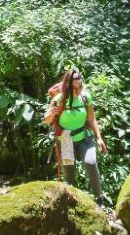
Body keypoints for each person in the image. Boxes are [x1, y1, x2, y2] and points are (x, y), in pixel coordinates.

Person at [43, 69, 107, 204]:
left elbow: (92, 119)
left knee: (90, 162)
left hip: (84, 137)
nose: (78, 89)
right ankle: (70, 203)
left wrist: (99, 138)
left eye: (80, 86)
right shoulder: (58, 99)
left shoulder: (85, 97)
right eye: (75, 87)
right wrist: (52, 113)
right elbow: (47, 120)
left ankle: (99, 198)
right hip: (66, 141)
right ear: (68, 86)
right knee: (69, 177)